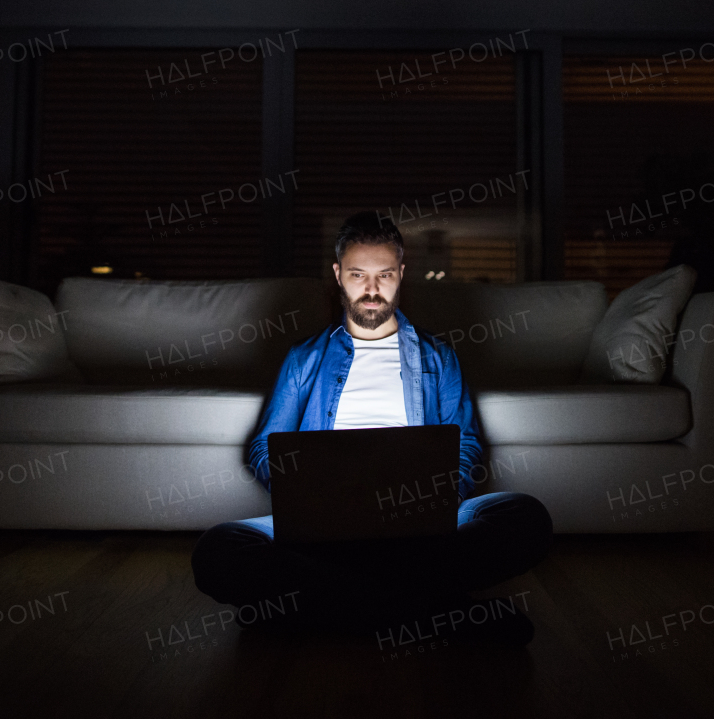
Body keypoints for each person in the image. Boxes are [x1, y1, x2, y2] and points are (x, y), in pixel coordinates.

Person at [191, 211, 553, 644]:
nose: (372, 290)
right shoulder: (303, 359)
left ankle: (323, 613)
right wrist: (308, 499)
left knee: (525, 516)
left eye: (384, 275)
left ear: (401, 275)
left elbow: (467, 443)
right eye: (358, 275)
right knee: (219, 549)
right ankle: (437, 615)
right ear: (338, 275)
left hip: (417, 528)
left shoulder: (438, 357)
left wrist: (437, 499)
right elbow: (264, 448)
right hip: (322, 529)